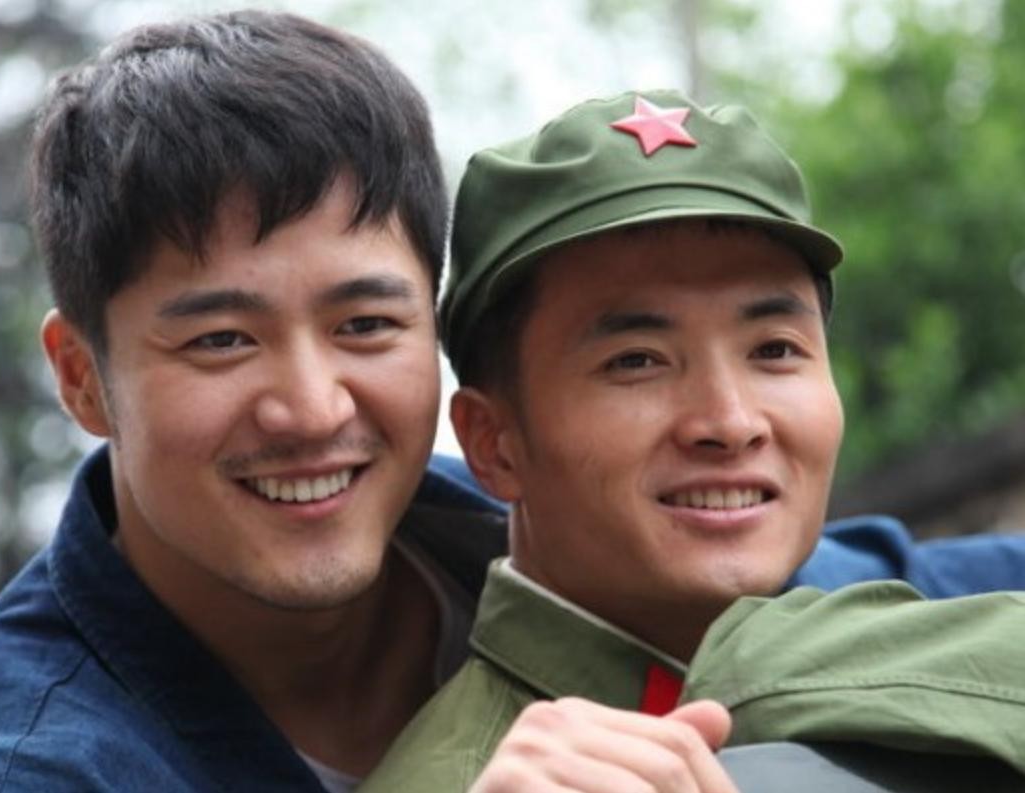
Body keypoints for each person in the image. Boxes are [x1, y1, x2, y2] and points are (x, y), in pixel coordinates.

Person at [0, 11, 1025, 792]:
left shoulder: (556, 537)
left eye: (364, 324)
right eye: (222, 340)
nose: (309, 407)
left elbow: (871, 583)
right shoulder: (29, 764)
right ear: (81, 376)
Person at [359, 90, 1025, 792]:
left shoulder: (922, 639)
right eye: (636, 361)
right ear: (494, 443)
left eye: (774, 349)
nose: (731, 422)